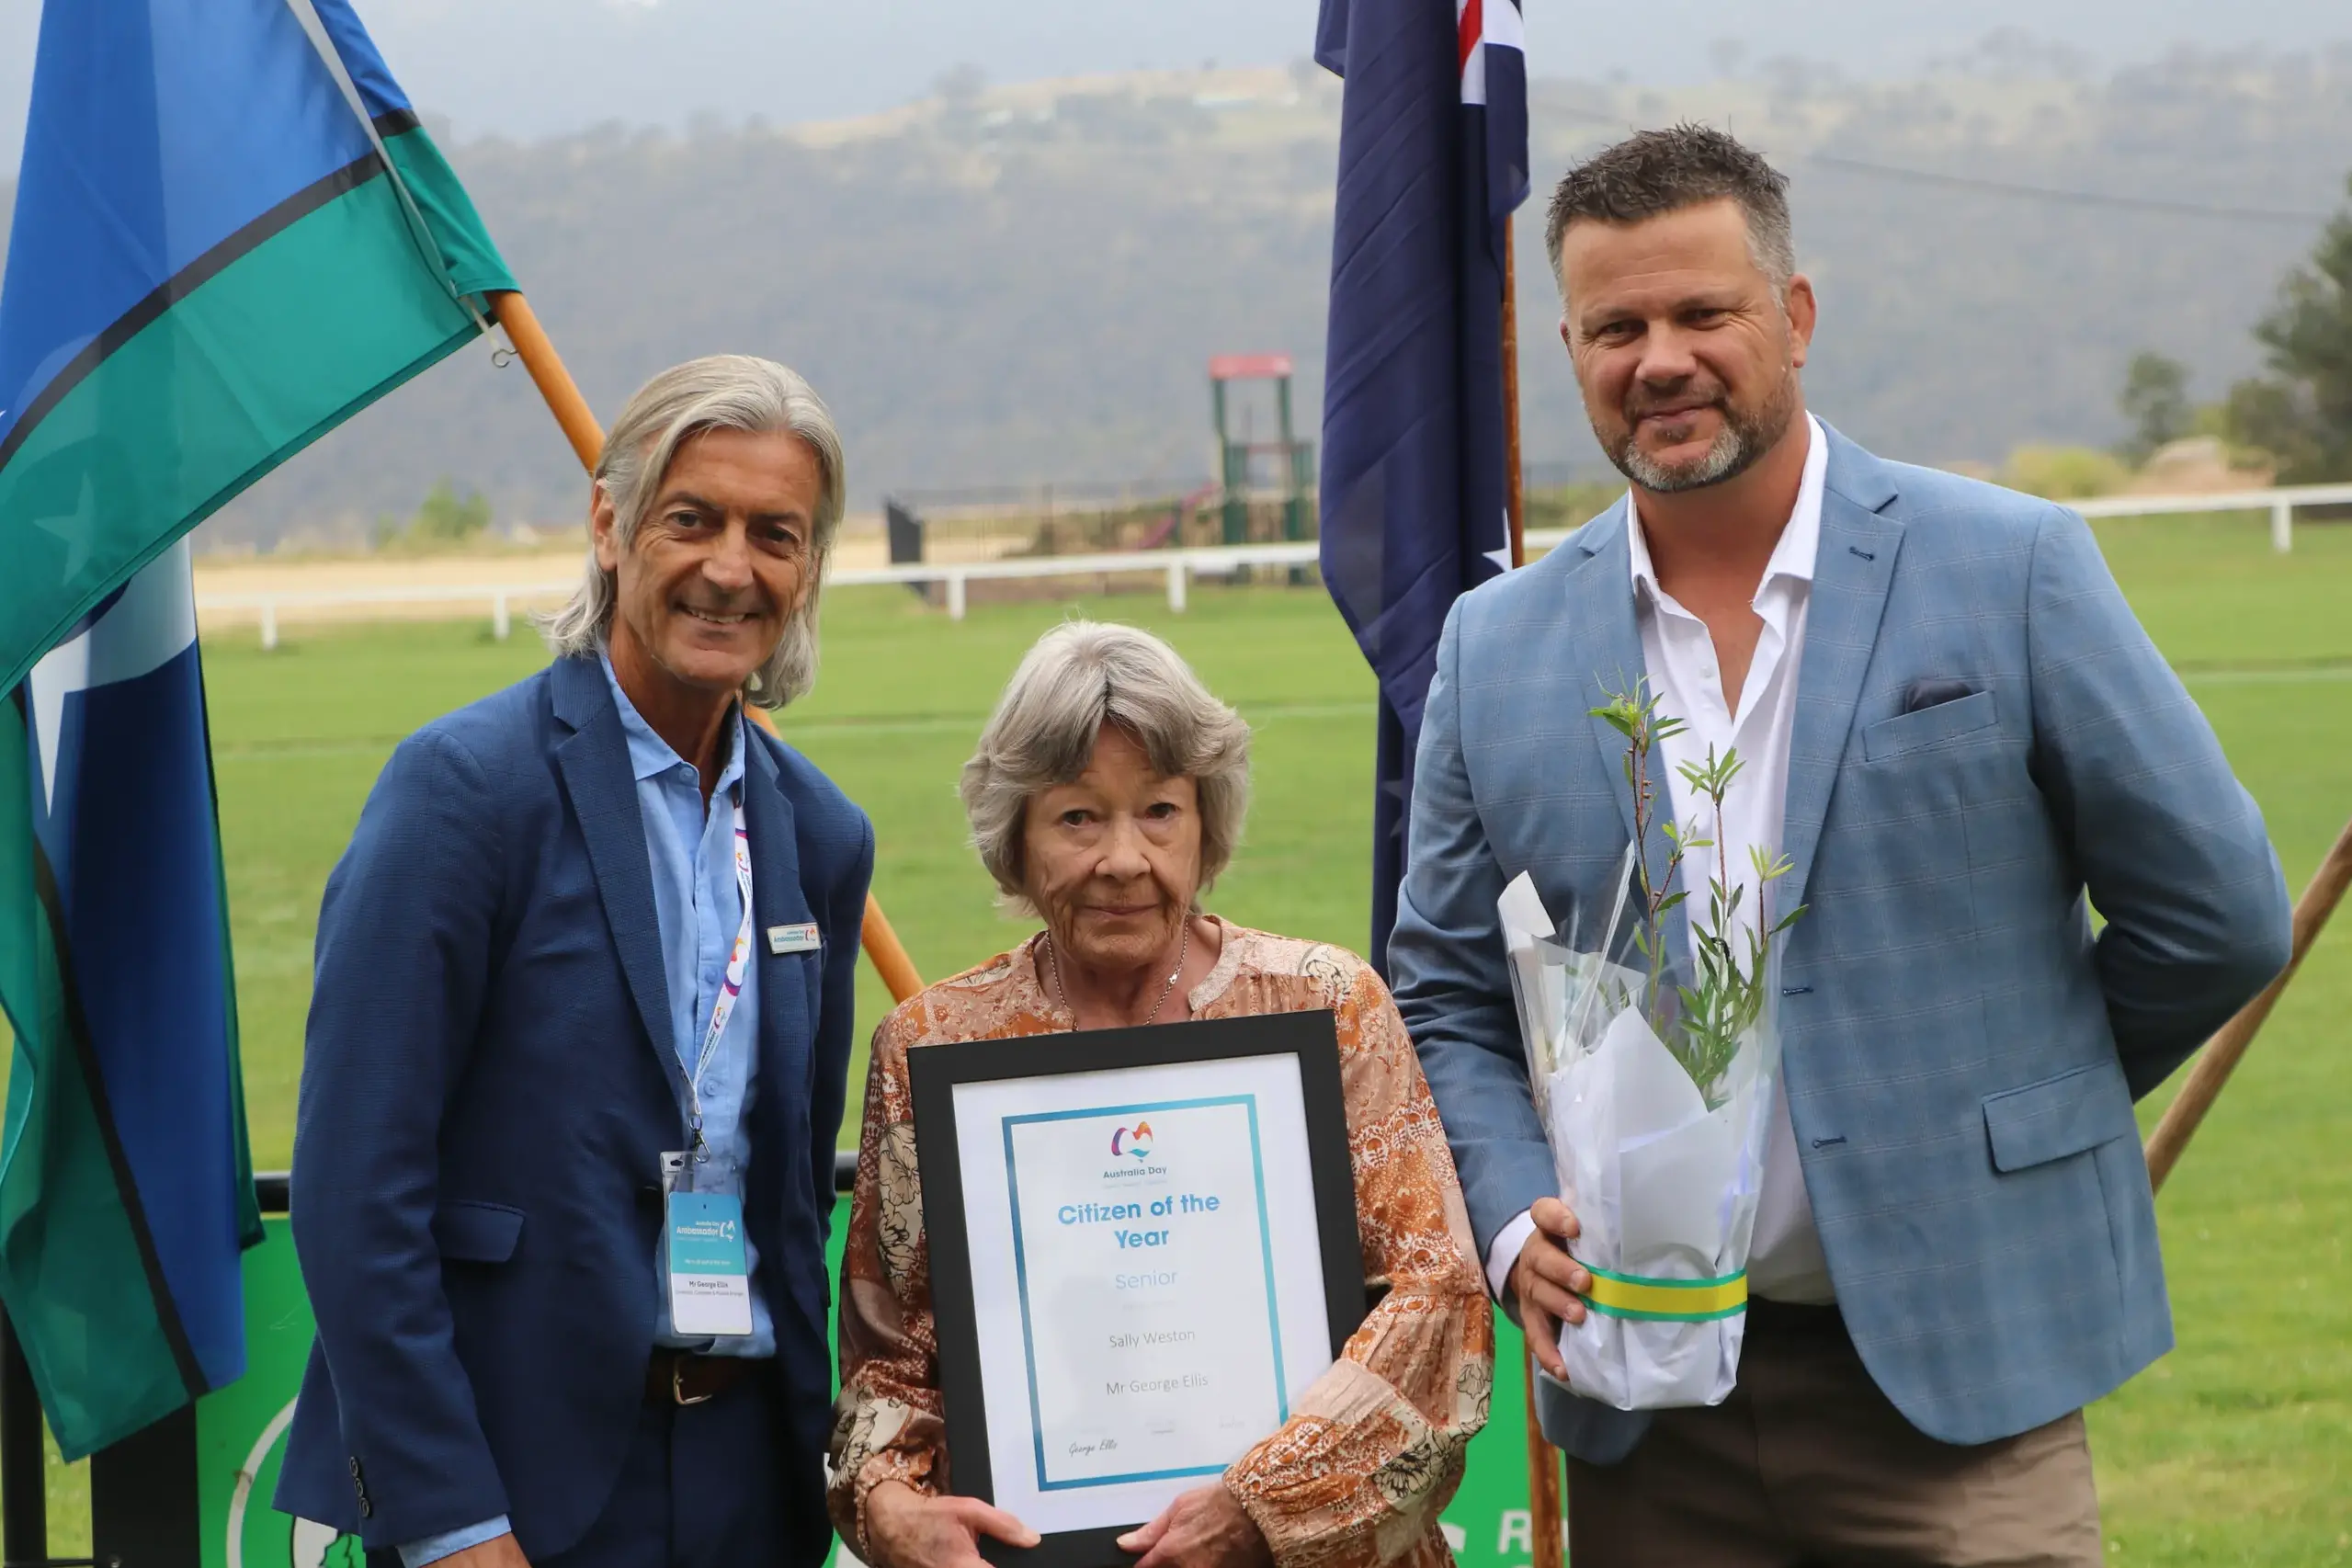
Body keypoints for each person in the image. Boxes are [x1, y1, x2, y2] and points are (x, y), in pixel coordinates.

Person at [1388, 125, 2294, 1565]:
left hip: (1957, 1396)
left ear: (1792, 317)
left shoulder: (2006, 565)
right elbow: (1437, 985)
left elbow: (2222, 918)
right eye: (1615, 326)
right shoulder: (1490, 645)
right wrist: (1509, 1225)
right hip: (1645, 1418)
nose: (1659, 359)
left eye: (1702, 313)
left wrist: (2001, 1109)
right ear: (1567, 344)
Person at [276, 356, 876, 1568]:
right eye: (689, 518)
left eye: (776, 533)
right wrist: (451, 1517)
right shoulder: (463, 793)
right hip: (515, 1488)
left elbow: (795, 1183)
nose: (729, 567)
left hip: (748, 1483)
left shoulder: (820, 835)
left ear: (808, 566)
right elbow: (354, 1189)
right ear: (609, 523)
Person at [828, 621, 1492, 1568]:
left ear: (1206, 820)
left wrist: (1260, 1504)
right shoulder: (932, 1044)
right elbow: (890, 1359)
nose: (1124, 859)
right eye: (1078, 816)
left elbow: (1439, 1303)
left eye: (1159, 811)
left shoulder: (1328, 1005)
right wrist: (891, 1501)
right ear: (1016, 833)